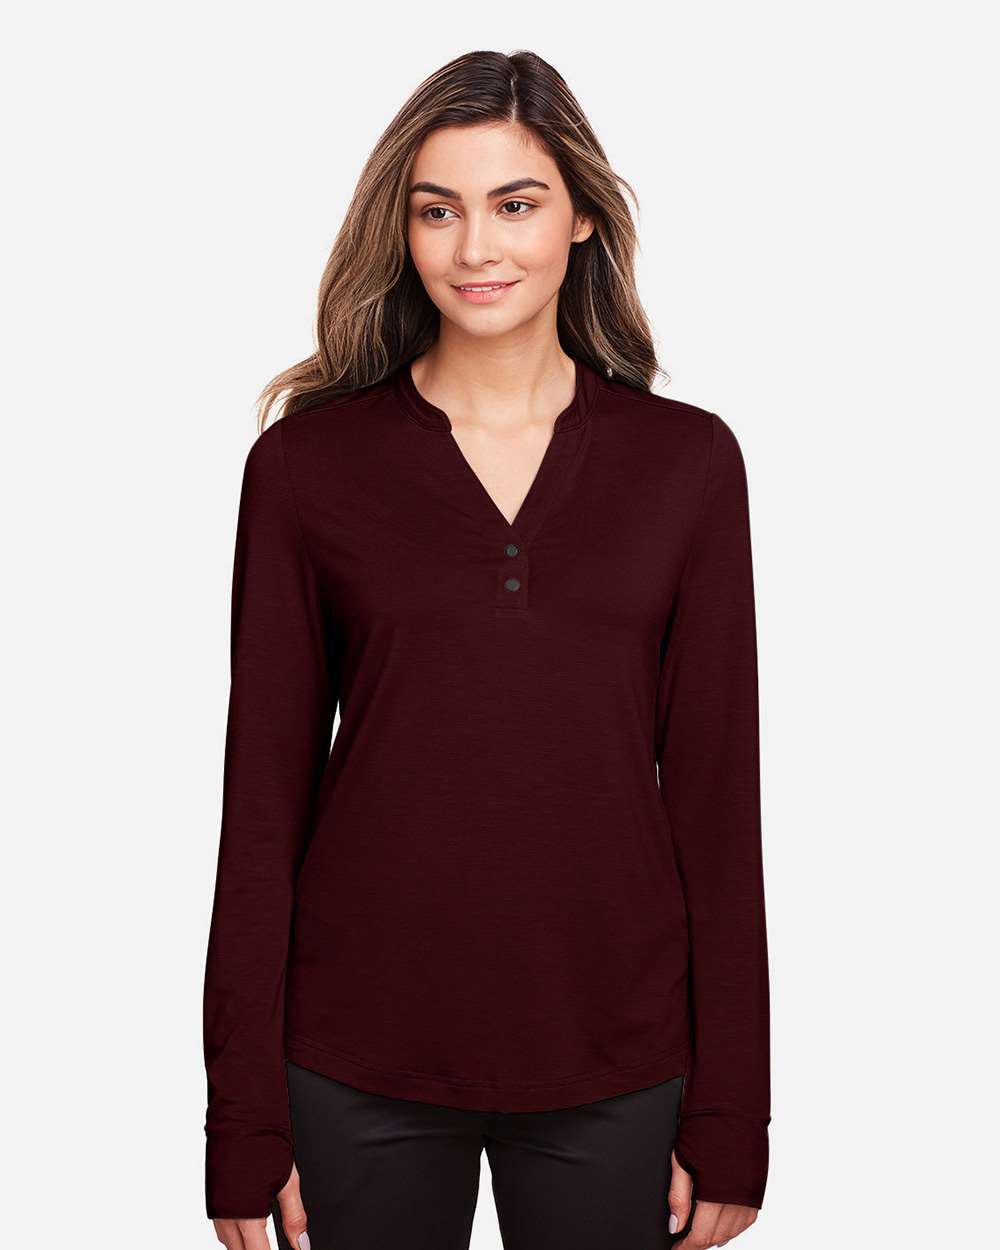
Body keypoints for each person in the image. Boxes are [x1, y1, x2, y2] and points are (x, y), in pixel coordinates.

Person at [202, 48, 771, 1250]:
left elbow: (718, 808)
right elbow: (259, 810)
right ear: (402, 229)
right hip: (353, 1059)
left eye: (515, 204)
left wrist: (732, 1110)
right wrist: (242, 1117)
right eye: (437, 210)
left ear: (581, 219)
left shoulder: (686, 464)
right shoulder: (307, 468)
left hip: (618, 1055)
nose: (475, 248)